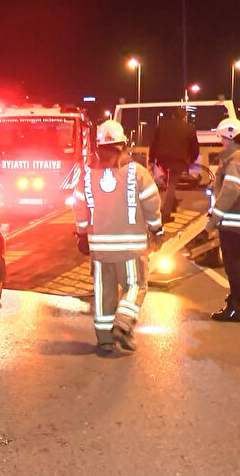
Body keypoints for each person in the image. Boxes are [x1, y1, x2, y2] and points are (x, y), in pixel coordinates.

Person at [73, 120, 163, 354]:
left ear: (98, 147)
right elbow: (152, 204)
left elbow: (79, 207)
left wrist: (83, 233)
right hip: (131, 249)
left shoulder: (86, 176)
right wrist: (156, 229)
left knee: (104, 292)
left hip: (100, 250)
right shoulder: (137, 173)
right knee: (135, 285)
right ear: (123, 145)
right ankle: (122, 325)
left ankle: (104, 338)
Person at [206, 117, 240, 322]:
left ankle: (235, 305)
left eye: (222, 138)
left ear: (230, 137)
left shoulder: (235, 159)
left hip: (232, 219)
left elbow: (231, 191)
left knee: (232, 263)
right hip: (239, 218)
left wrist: (213, 218)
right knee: (238, 260)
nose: (221, 142)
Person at [150, 107, 200, 222]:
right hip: (179, 161)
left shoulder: (162, 125)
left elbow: (154, 143)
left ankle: (173, 204)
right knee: (172, 184)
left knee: (169, 182)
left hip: (162, 160)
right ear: (184, 116)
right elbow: (194, 146)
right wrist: (192, 159)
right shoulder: (189, 128)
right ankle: (165, 214)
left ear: (172, 115)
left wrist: (152, 159)